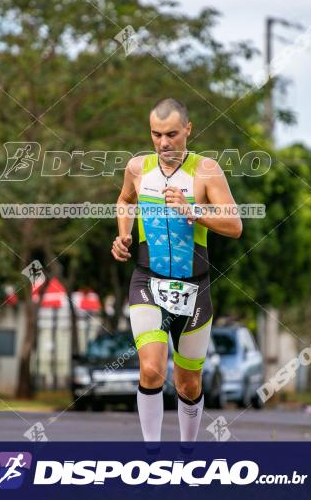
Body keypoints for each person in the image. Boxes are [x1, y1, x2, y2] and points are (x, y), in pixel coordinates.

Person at [112, 98, 242, 445]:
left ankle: (187, 453)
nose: (164, 143)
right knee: (152, 370)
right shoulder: (138, 168)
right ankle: (151, 455)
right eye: (156, 135)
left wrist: (193, 210)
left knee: (189, 383)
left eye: (171, 134)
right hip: (147, 281)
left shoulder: (206, 171)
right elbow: (125, 201)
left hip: (194, 287)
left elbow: (234, 224)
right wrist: (123, 234)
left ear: (188, 129)